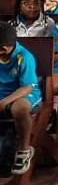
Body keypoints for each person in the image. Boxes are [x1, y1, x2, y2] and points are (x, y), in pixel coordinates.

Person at [0, 23, 40, 175]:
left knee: (19, 109)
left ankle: (24, 150)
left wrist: (4, 102)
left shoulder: (24, 57)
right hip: (2, 92)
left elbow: (27, 86)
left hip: (24, 92)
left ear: (4, 49)